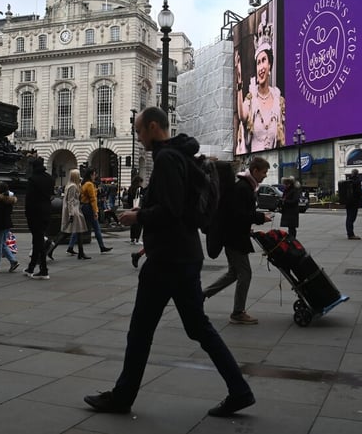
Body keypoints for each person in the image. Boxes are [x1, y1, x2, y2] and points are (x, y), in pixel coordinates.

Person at [84, 106, 255, 417]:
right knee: (198, 328)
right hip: (184, 255)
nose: (138, 138)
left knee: (140, 331)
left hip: (168, 259)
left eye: (138, 131)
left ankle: (122, 397)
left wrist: (138, 215)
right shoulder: (181, 155)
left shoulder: (166, 159)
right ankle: (240, 390)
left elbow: (171, 210)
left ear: (152, 127)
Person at [203, 157, 273, 325]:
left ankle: (201, 295)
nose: (265, 176)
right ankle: (238, 312)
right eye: (264, 172)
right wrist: (260, 217)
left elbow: (235, 214)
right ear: (255, 170)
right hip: (234, 239)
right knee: (245, 273)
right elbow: (238, 215)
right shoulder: (243, 187)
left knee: (234, 273)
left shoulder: (244, 186)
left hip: (233, 236)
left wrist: (250, 224)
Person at [239, 8, 285, 152]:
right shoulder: (251, 97)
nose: (260, 67)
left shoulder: (278, 100)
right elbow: (242, 115)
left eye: (263, 61)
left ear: (269, 65)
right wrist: (239, 86)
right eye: (258, 63)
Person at [68, 168, 111, 255]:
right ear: (91, 175)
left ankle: (70, 246)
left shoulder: (83, 184)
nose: (95, 176)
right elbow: (93, 199)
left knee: (78, 227)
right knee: (96, 227)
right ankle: (102, 247)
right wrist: (95, 211)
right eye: (94, 174)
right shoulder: (90, 184)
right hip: (89, 207)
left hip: (83, 206)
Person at [25, 157, 56, 274]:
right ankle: (31, 267)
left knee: (38, 241)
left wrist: (27, 214)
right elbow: (51, 195)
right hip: (47, 211)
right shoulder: (50, 178)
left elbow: (29, 199)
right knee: (38, 239)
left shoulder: (32, 180)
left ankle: (44, 269)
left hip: (35, 213)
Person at [59, 169, 89, 264]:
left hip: (75, 210)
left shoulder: (72, 185)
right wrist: (71, 214)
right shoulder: (72, 186)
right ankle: (50, 249)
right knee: (67, 233)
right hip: (74, 211)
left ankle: (81, 252)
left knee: (79, 232)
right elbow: (70, 201)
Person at [344, 169, 362, 240]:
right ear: (357, 174)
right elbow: (358, 191)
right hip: (354, 202)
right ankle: (351, 234)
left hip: (348, 202)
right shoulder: (357, 181)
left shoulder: (348, 180)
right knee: (352, 218)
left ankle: (350, 233)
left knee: (349, 218)